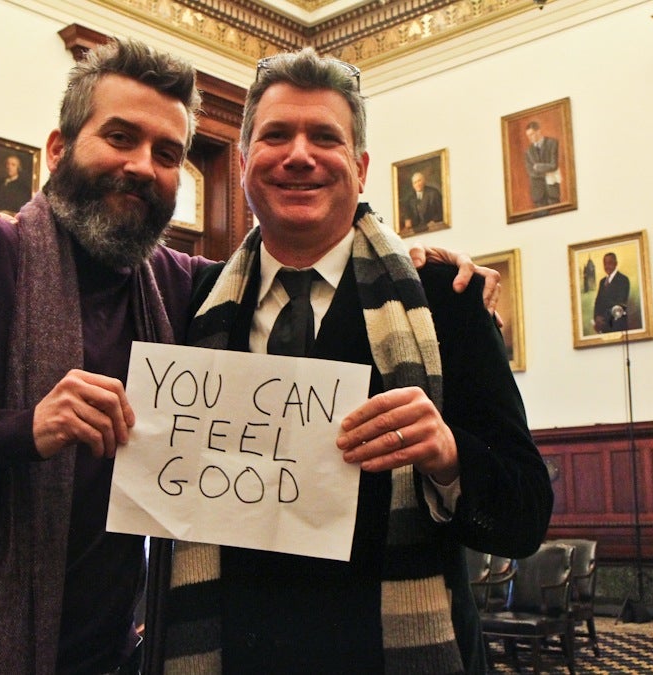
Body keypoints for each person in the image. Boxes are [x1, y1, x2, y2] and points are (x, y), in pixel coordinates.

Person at [0, 37, 498, 674]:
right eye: (119, 137)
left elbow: (307, 252)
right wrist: (18, 430)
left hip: (117, 656)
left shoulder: (185, 289)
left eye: (167, 154)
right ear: (57, 149)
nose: (141, 167)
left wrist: (413, 265)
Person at [160, 48, 553, 674]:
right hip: (233, 654)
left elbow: (525, 516)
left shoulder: (444, 304)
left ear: (361, 167)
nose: (298, 155)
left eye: (325, 137)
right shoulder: (191, 306)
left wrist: (449, 457)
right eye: (277, 135)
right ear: (243, 164)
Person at [523, 120, 560, 207]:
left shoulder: (552, 143)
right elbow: (530, 172)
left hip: (552, 190)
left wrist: (538, 167)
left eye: (532, 134)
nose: (530, 138)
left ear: (539, 131)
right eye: (528, 135)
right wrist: (547, 170)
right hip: (538, 194)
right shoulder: (528, 151)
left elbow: (554, 165)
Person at [592, 251, 629, 333]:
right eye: (605, 263)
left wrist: (603, 319)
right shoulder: (602, 282)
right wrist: (596, 318)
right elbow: (597, 302)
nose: (607, 266)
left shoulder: (623, 280)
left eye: (610, 263)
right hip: (603, 327)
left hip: (617, 325)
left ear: (616, 263)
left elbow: (620, 304)